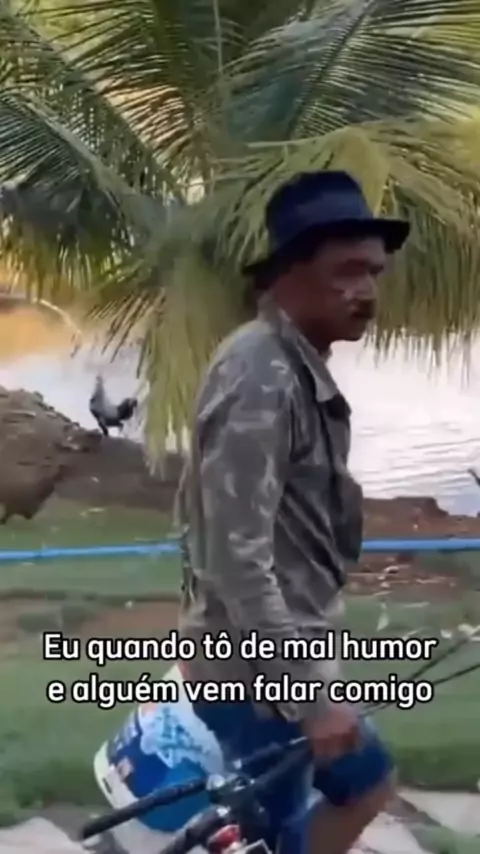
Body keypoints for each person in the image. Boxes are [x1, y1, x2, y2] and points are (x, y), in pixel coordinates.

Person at [175, 170, 410, 854]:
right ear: (289, 275)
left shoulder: (293, 365)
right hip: (253, 679)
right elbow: (235, 559)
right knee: (292, 821)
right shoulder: (261, 374)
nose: (366, 290)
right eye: (347, 272)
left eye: (373, 273)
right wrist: (311, 698)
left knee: (360, 787)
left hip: (278, 661)